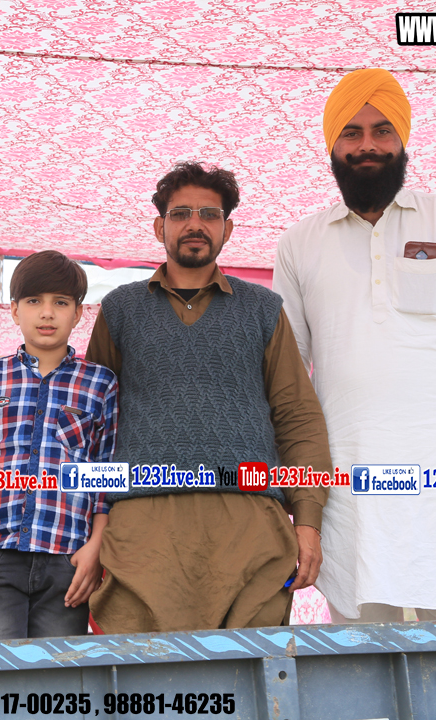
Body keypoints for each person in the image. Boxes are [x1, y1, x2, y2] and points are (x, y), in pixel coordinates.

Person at [273, 68, 436, 623]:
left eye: (382, 130)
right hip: (350, 485)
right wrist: (296, 487)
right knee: (364, 658)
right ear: (332, 145)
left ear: (403, 139)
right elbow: (287, 377)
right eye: (352, 132)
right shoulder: (299, 243)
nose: (367, 144)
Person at [86, 161, 333, 632]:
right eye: (180, 214)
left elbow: (297, 417)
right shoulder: (121, 309)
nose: (194, 224)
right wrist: (89, 531)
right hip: (141, 536)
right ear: (159, 226)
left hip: (251, 531)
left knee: (249, 673)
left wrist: (308, 521)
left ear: (227, 229)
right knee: (144, 673)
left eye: (210, 214)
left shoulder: (263, 310)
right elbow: (92, 425)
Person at [0, 250, 118, 640]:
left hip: (68, 562)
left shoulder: (100, 384)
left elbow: (107, 479)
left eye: (61, 303)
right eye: (34, 301)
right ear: (15, 310)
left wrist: (96, 548)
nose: (47, 313)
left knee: (58, 673)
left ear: (78, 313)